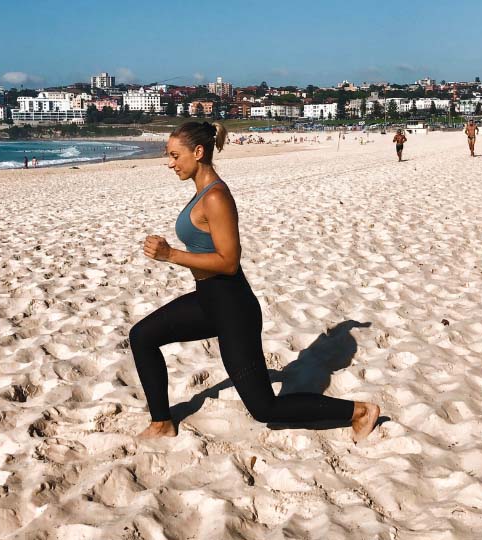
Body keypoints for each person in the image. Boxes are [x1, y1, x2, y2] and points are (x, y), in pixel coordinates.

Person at [129, 121, 380, 442]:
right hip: (208, 300)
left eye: (175, 155)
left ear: (198, 152)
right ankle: (162, 423)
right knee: (142, 337)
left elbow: (229, 261)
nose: (170, 163)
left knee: (265, 409)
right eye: (169, 155)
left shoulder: (216, 197)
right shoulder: (200, 194)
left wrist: (170, 255)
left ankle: (359, 411)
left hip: (233, 308)